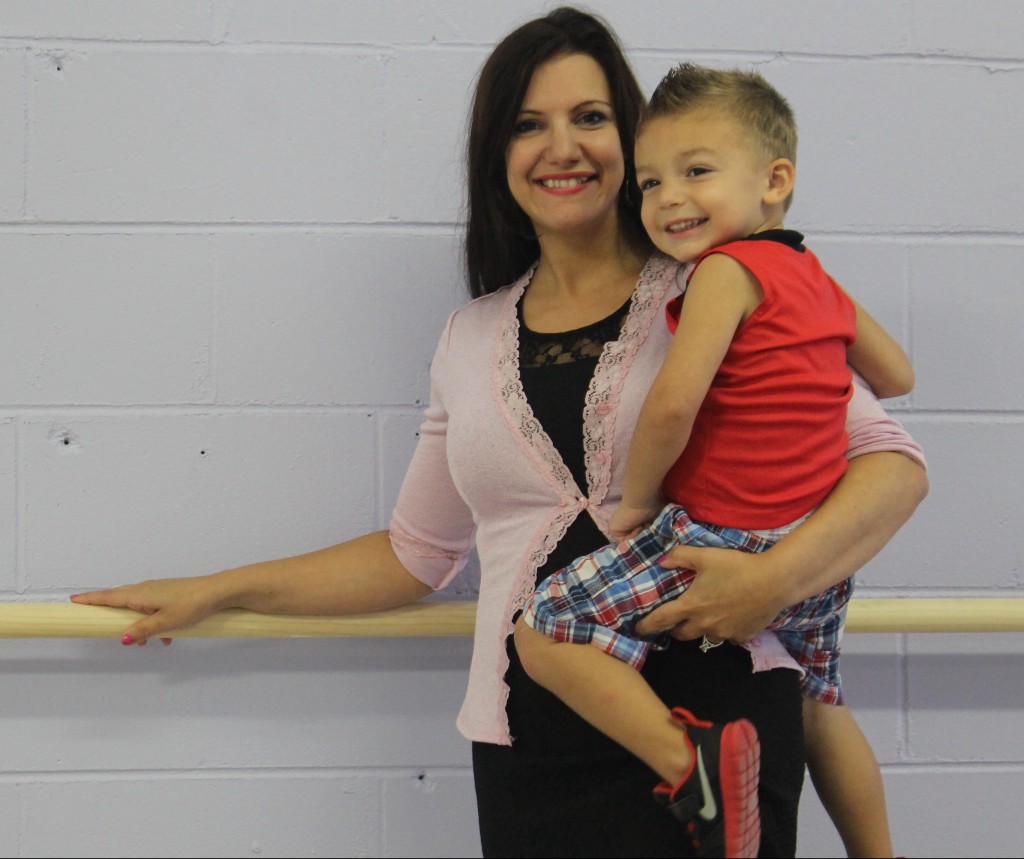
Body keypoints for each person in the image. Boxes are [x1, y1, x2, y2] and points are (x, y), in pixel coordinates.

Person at [70, 8, 928, 858]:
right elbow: (415, 553)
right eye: (529, 125)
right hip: (534, 745)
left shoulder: (719, 286)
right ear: (498, 156)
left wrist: (769, 581)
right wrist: (219, 588)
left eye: (591, 118)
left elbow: (892, 466)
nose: (562, 147)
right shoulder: (469, 336)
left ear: (634, 143)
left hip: (723, 719)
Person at [514, 61, 912, 858]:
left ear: (775, 180)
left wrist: (640, 503)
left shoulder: (722, 273)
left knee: (547, 628)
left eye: (697, 172)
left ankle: (690, 762)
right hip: (817, 555)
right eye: (653, 180)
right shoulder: (815, 277)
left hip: (724, 538)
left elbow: (671, 403)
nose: (668, 199)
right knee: (821, 704)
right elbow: (897, 375)